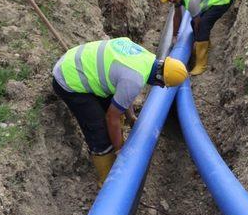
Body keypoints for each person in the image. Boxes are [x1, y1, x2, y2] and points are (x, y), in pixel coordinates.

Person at [52, 37, 188, 186]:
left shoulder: (144, 57)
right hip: (68, 79)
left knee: (113, 112)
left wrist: (130, 117)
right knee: (99, 130)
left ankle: (114, 148)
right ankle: (107, 180)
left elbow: (123, 92)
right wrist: (119, 150)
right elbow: (112, 118)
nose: (161, 87)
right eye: (164, 85)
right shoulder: (135, 80)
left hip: (75, 61)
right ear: (160, 78)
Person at [155, 0, 233, 76]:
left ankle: (201, 64)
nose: (171, 0)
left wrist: (196, 41)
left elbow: (198, 23)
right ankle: (206, 44)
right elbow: (177, 15)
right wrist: (174, 35)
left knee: (203, 25)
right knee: (194, 23)